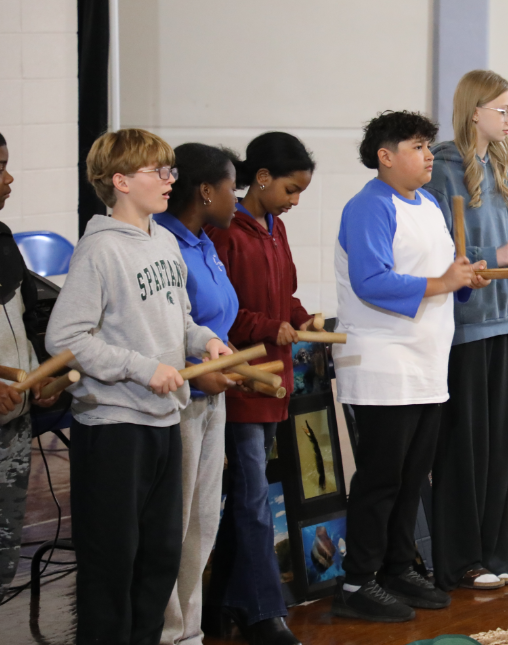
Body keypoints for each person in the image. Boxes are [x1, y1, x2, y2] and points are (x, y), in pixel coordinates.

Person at [45, 129, 233, 644]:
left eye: (171, 170)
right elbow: (64, 337)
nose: (171, 181)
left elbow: (180, 317)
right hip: (113, 427)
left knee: (158, 559)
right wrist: (139, 367)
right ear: (121, 181)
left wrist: (207, 340)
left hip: (163, 420)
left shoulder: (165, 239)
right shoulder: (99, 250)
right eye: (159, 171)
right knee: (113, 565)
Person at [330, 110, 489, 623]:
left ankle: (397, 566)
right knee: (380, 478)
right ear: (386, 156)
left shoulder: (428, 202)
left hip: (426, 359)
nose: (428, 157)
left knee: (411, 475)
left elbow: (438, 274)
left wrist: (463, 279)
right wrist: (443, 284)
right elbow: (370, 281)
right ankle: (357, 581)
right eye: (418, 147)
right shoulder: (368, 206)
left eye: (427, 146)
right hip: (381, 359)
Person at [425, 69, 508, 591]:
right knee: (462, 448)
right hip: (465, 326)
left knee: (496, 445)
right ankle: (461, 559)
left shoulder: (494, 166)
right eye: (503, 110)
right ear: (475, 112)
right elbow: (447, 252)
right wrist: (497, 255)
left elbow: (507, 235)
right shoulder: (446, 170)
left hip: (502, 321)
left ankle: (494, 549)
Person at [204, 132, 314, 645]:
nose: (294, 203)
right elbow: (222, 315)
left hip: (276, 381)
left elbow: (283, 293)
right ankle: (263, 612)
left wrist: (298, 316)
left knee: (247, 498)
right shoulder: (227, 232)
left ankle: (220, 598)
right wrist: (268, 327)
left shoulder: (275, 228)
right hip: (244, 382)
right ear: (262, 179)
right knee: (250, 499)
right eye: (290, 191)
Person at [154, 144, 240, 645]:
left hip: (212, 399)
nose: (238, 197)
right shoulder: (165, 243)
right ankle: (167, 632)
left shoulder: (204, 242)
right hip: (179, 399)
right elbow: (153, 334)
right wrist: (194, 369)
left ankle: (190, 630)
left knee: (204, 521)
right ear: (205, 191)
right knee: (177, 521)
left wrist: (220, 356)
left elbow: (207, 322)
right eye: (232, 188)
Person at [0, 127, 58, 616]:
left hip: (11, 419)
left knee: (0, 554)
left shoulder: (0, 240)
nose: (9, 178)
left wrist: (41, 374)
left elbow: (21, 324)